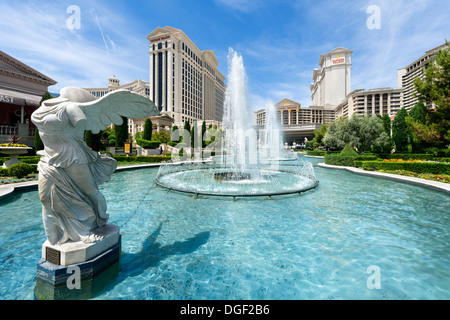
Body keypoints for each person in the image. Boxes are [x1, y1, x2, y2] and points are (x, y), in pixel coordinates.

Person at [31, 87, 157, 245]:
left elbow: (82, 122)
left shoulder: (72, 108)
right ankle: (56, 233)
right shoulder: (45, 106)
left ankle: (95, 222)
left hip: (72, 156)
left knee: (90, 191)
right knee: (45, 197)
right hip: (48, 158)